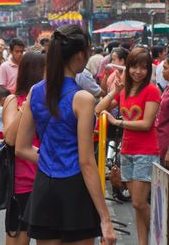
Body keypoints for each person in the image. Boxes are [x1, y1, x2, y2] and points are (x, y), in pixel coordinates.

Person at [16, 25, 117, 245]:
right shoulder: (83, 98)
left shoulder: (35, 91)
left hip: (44, 186)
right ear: (80, 55)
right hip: (74, 189)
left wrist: (49, 159)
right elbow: (86, 161)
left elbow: (21, 147)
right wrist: (105, 219)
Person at [96, 47, 161, 245]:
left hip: (146, 151)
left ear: (148, 69)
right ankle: (143, 242)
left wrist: (118, 123)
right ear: (127, 67)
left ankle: (160, 228)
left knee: (139, 202)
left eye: (143, 68)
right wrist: (115, 90)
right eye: (134, 67)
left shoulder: (151, 90)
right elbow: (99, 109)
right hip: (127, 150)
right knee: (136, 205)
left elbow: (146, 124)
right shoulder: (125, 90)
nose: (138, 71)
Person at [2, 52, 46, 245]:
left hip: (49, 179)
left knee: (47, 236)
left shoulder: (51, 100)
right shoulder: (13, 100)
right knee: (19, 233)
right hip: (23, 181)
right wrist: (28, 103)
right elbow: (10, 138)